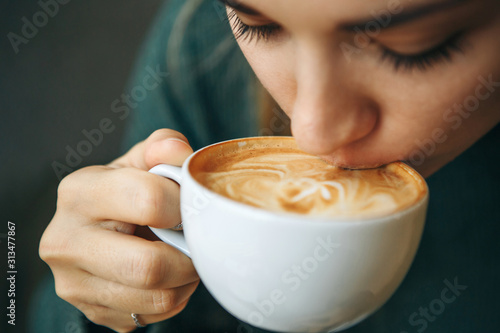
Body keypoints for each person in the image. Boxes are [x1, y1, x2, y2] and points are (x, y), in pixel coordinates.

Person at [32, 0, 500, 332]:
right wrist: (108, 299)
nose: (311, 130)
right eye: (258, 24)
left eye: (412, 46)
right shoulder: (203, 46)